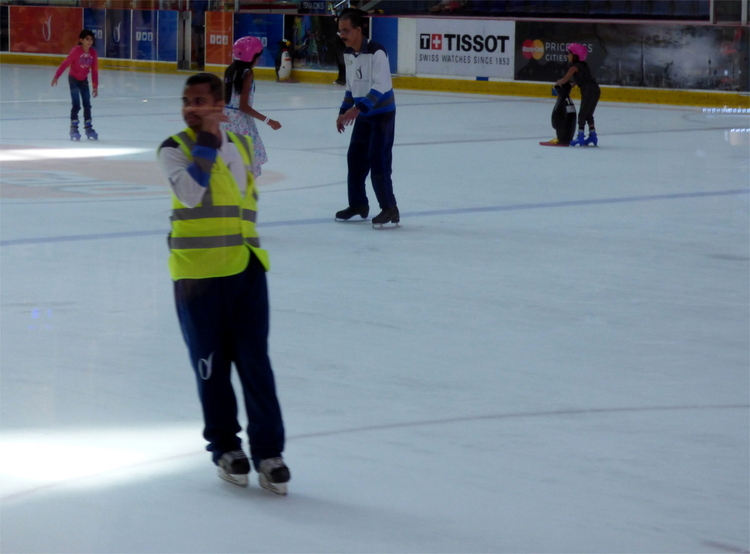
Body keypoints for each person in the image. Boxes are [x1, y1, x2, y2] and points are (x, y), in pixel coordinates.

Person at [157, 72, 290, 495]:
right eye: (186, 101)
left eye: (200, 101)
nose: (191, 108)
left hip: (246, 270)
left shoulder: (244, 147)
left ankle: (269, 452)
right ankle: (226, 448)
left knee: (255, 363)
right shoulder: (173, 151)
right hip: (196, 276)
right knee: (211, 369)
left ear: (219, 107)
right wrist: (208, 145)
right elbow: (193, 195)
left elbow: (243, 203)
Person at [335, 10, 399, 227]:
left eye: (346, 30)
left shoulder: (376, 51)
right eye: (340, 30)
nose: (342, 34)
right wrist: (343, 111)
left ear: (359, 30)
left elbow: (382, 84)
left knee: (378, 161)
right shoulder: (347, 53)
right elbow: (351, 86)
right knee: (355, 159)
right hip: (363, 114)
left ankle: (389, 208)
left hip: (381, 116)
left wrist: (357, 109)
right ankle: (358, 205)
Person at [221, 36, 281, 178]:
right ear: (250, 56)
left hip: (225, 120)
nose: (258, 60)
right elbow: (243, 107)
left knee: (230, 159)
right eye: (257, 57)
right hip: (239, 122)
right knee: (245, 162)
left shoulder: (230, 70)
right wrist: (269, 121)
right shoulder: (247, 73)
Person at [51, 29, 99, 141]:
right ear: (81, 40)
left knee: (87, 104)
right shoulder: (76, 51)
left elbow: (95, 70)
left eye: (91, 39)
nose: (89, 41)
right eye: (87, 39)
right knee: (76, 104)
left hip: (84, 80)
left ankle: (88, 128)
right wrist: (56, 76)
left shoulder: (93, 53)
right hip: (73, 79)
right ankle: (74, 128)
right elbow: (65, 63)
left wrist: (95, 86)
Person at [555, 43, 600, 146]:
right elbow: (585, 77)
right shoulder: (583, 65)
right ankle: (593, 136)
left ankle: (580, 136)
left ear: (575, 55)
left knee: (582, 114)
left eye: (569, 54)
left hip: (588, 90)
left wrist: (559, 82)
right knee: (588, 114)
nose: (567, 56)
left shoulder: (573, 67)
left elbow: (565, 79)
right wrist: (575, 83)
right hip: (595, 89)